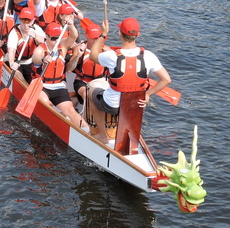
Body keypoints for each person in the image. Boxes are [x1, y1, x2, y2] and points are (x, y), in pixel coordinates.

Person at [87, 17, 171, 145]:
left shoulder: (112, 56)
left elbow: (93, 55)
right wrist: (147, 95)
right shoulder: (148, 56)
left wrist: (103, 34)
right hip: (134, 105)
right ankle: (130, 138)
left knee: (91, 92)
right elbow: (166, 79)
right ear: (137, 35)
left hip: (112, 105)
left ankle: (103, 136)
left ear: (120, 33)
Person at [33, 23, 88, 131]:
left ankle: (87, 132)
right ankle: (61, 118)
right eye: (53, 38)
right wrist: (43, 60)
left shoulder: (62, 46)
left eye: (58, 38)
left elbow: (74, 35)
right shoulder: (40, 49)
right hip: (42, 86)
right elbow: (35, 58)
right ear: (46, 36)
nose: (56, 41)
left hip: (58, 86)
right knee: (45, 103)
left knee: (71, 110)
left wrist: (71, 24)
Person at [68, 23, 109, 109]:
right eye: (93, 38)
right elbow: (69, 69)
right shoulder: (79, 49)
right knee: (87, 95)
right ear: (86, 36)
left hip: (100, 81)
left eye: (97, 37)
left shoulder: (106, 50)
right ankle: (86, 118)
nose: (96, 40)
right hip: (82, 82)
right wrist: (77, 56)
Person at [6, 7, 45, 83]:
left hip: (31, 61)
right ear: (19, 20)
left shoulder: (37, 29)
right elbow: (12, 50)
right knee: (17, 73)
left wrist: (35, 36)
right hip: (17, 62)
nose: (25, 25)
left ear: (33, 21)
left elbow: (43, 42)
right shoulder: (14, 32)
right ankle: (25, 87)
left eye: (28, 22)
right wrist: (12, 63)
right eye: (23, 21)